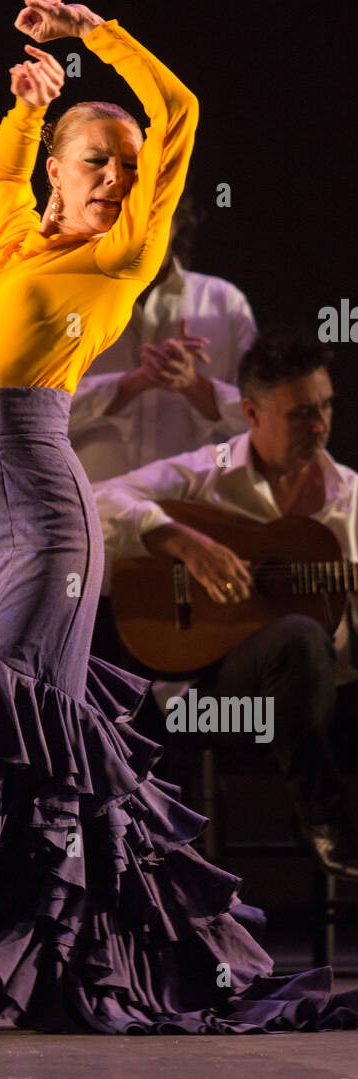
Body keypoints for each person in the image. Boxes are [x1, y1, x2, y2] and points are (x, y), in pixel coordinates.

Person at [0, 0, 358, 1034]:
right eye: (95, 160)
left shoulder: (114, 259)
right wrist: (30, 104)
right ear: (55, 174)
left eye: (126, 166)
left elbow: (177, 112)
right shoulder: (10, 242)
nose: (116, 178)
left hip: (42, 520)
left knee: (8, 730)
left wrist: (91, 38)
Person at [93, 325, 358, 877]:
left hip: (330, 702)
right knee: (297, 636)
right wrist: (183, 542)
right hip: (212, 698)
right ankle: (327, 821)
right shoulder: (207, 472)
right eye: (301, 414)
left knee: (310, 643)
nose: (321, 425)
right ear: (252, 414)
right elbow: (96, 501)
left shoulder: (350, 500)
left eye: (327, 408)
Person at [69, 191, 258, 484]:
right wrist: (125, 387)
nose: (142, 228)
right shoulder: (71, 304)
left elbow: (263, 423)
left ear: (178, 217)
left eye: (155, 214)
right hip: (95, 519)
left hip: (195, 517)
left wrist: (196, 386)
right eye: (129, 215)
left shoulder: (226, 304)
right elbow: (32, 420)